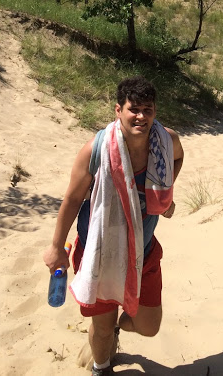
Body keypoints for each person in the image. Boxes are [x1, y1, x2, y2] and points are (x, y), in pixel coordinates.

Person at [43, 75, 184, 376]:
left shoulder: (165, 141)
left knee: (149, 326)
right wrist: (56, 247)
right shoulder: (96, 150)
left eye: (147, 110)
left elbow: (178, 158)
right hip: (100, 253)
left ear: (155, 112)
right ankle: (101, 367)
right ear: (118, 110)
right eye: (134, 109)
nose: (141, 116)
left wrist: (164, 194)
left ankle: (120, 326)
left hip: (143, 251)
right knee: (102, 328)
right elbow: (72, 199)